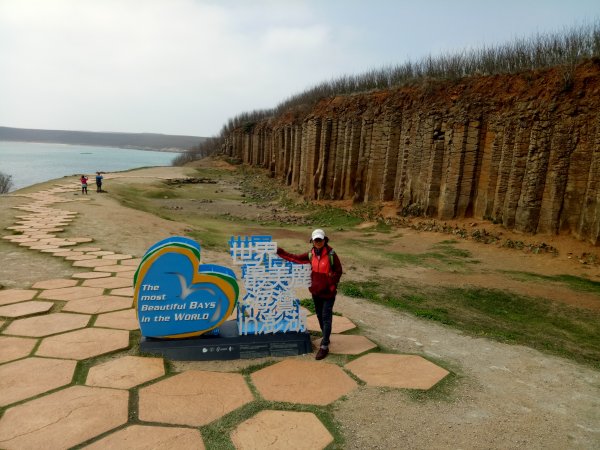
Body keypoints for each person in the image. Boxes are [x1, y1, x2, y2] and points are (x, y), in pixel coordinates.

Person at [277, 228, 343, 360]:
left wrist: (330, 282)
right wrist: (280, 252)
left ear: (325, 240)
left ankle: (324, 346)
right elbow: (294, 258)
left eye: (320, 239)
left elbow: (339, 271)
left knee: (326, 316)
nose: (318, 242)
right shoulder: (310, 254)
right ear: (312, 241)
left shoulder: (331, 254)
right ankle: (326, 337)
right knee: (319, 315)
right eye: (315, 240)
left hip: (328, 293)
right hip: (316, 292)